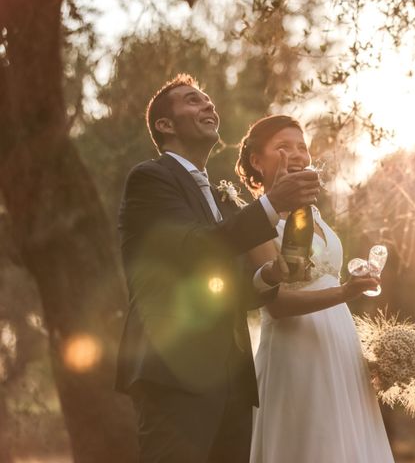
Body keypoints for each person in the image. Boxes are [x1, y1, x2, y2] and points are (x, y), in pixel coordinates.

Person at [115, 74, 322, 463]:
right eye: (193, 101)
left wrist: (269, 276)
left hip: (233, 380)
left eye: (209, 101)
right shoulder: (151, 179)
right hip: (173, 370)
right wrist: (270, 204)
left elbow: (229, 286)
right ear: (165, 125)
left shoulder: (221, 199)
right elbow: (195, 250)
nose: (209, 106)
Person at [236, 115, 395, 462]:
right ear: (257, 162)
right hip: (295, 351)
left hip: (339, 342)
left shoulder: (315, 215)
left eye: (301, 147)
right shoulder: (253, 220)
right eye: (283, 147)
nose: (296, 153)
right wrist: (345, 293)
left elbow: (326, 277)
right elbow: (275, 304)